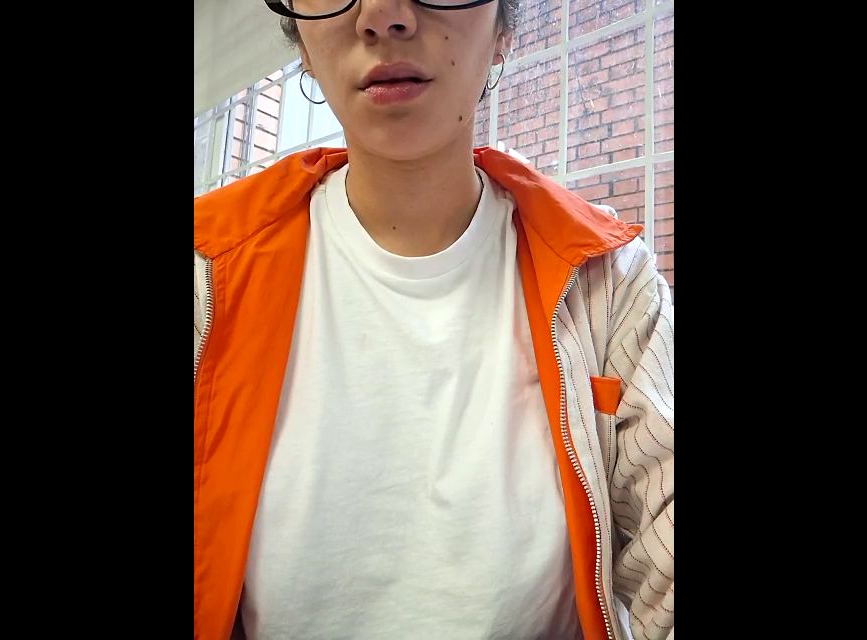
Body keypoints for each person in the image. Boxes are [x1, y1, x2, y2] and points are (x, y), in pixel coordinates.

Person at [194, 0, 673, 638]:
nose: (383, 15)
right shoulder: (208, 274)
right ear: (302, 44)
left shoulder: (609, 284)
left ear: (503, 30)